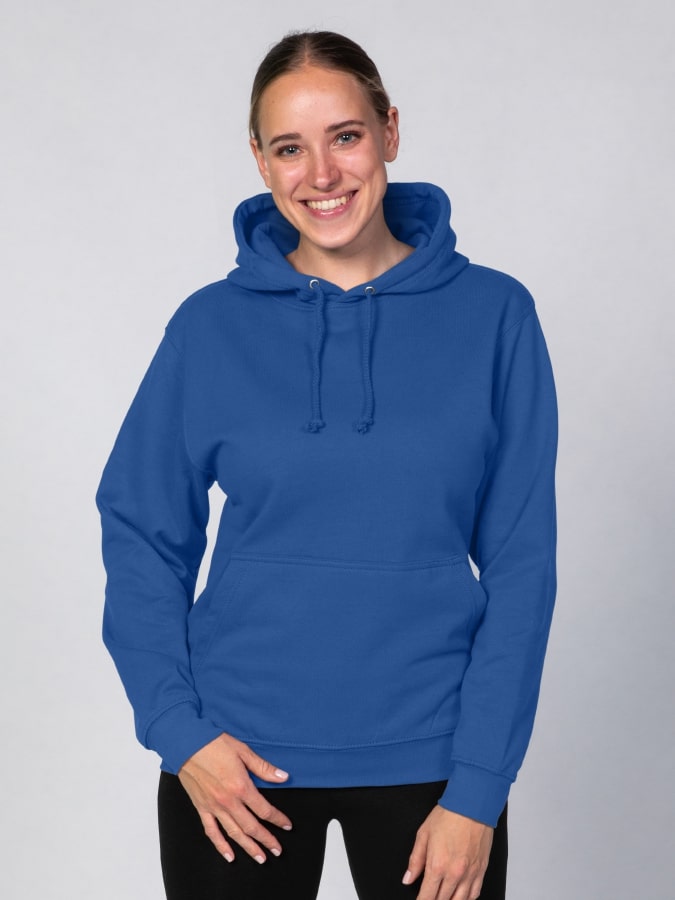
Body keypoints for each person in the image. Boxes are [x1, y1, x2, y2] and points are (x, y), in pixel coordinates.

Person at [96, 30, 557, 900]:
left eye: (344, 136)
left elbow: (522, 565)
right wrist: (179, 732)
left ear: (389, 131)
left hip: (434, 765)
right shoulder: (208, 327)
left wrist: (480, 788)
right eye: (288, 148)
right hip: (234, 767)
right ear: (259, 161)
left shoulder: (494, 315)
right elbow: (141, 530)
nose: (321, 173)